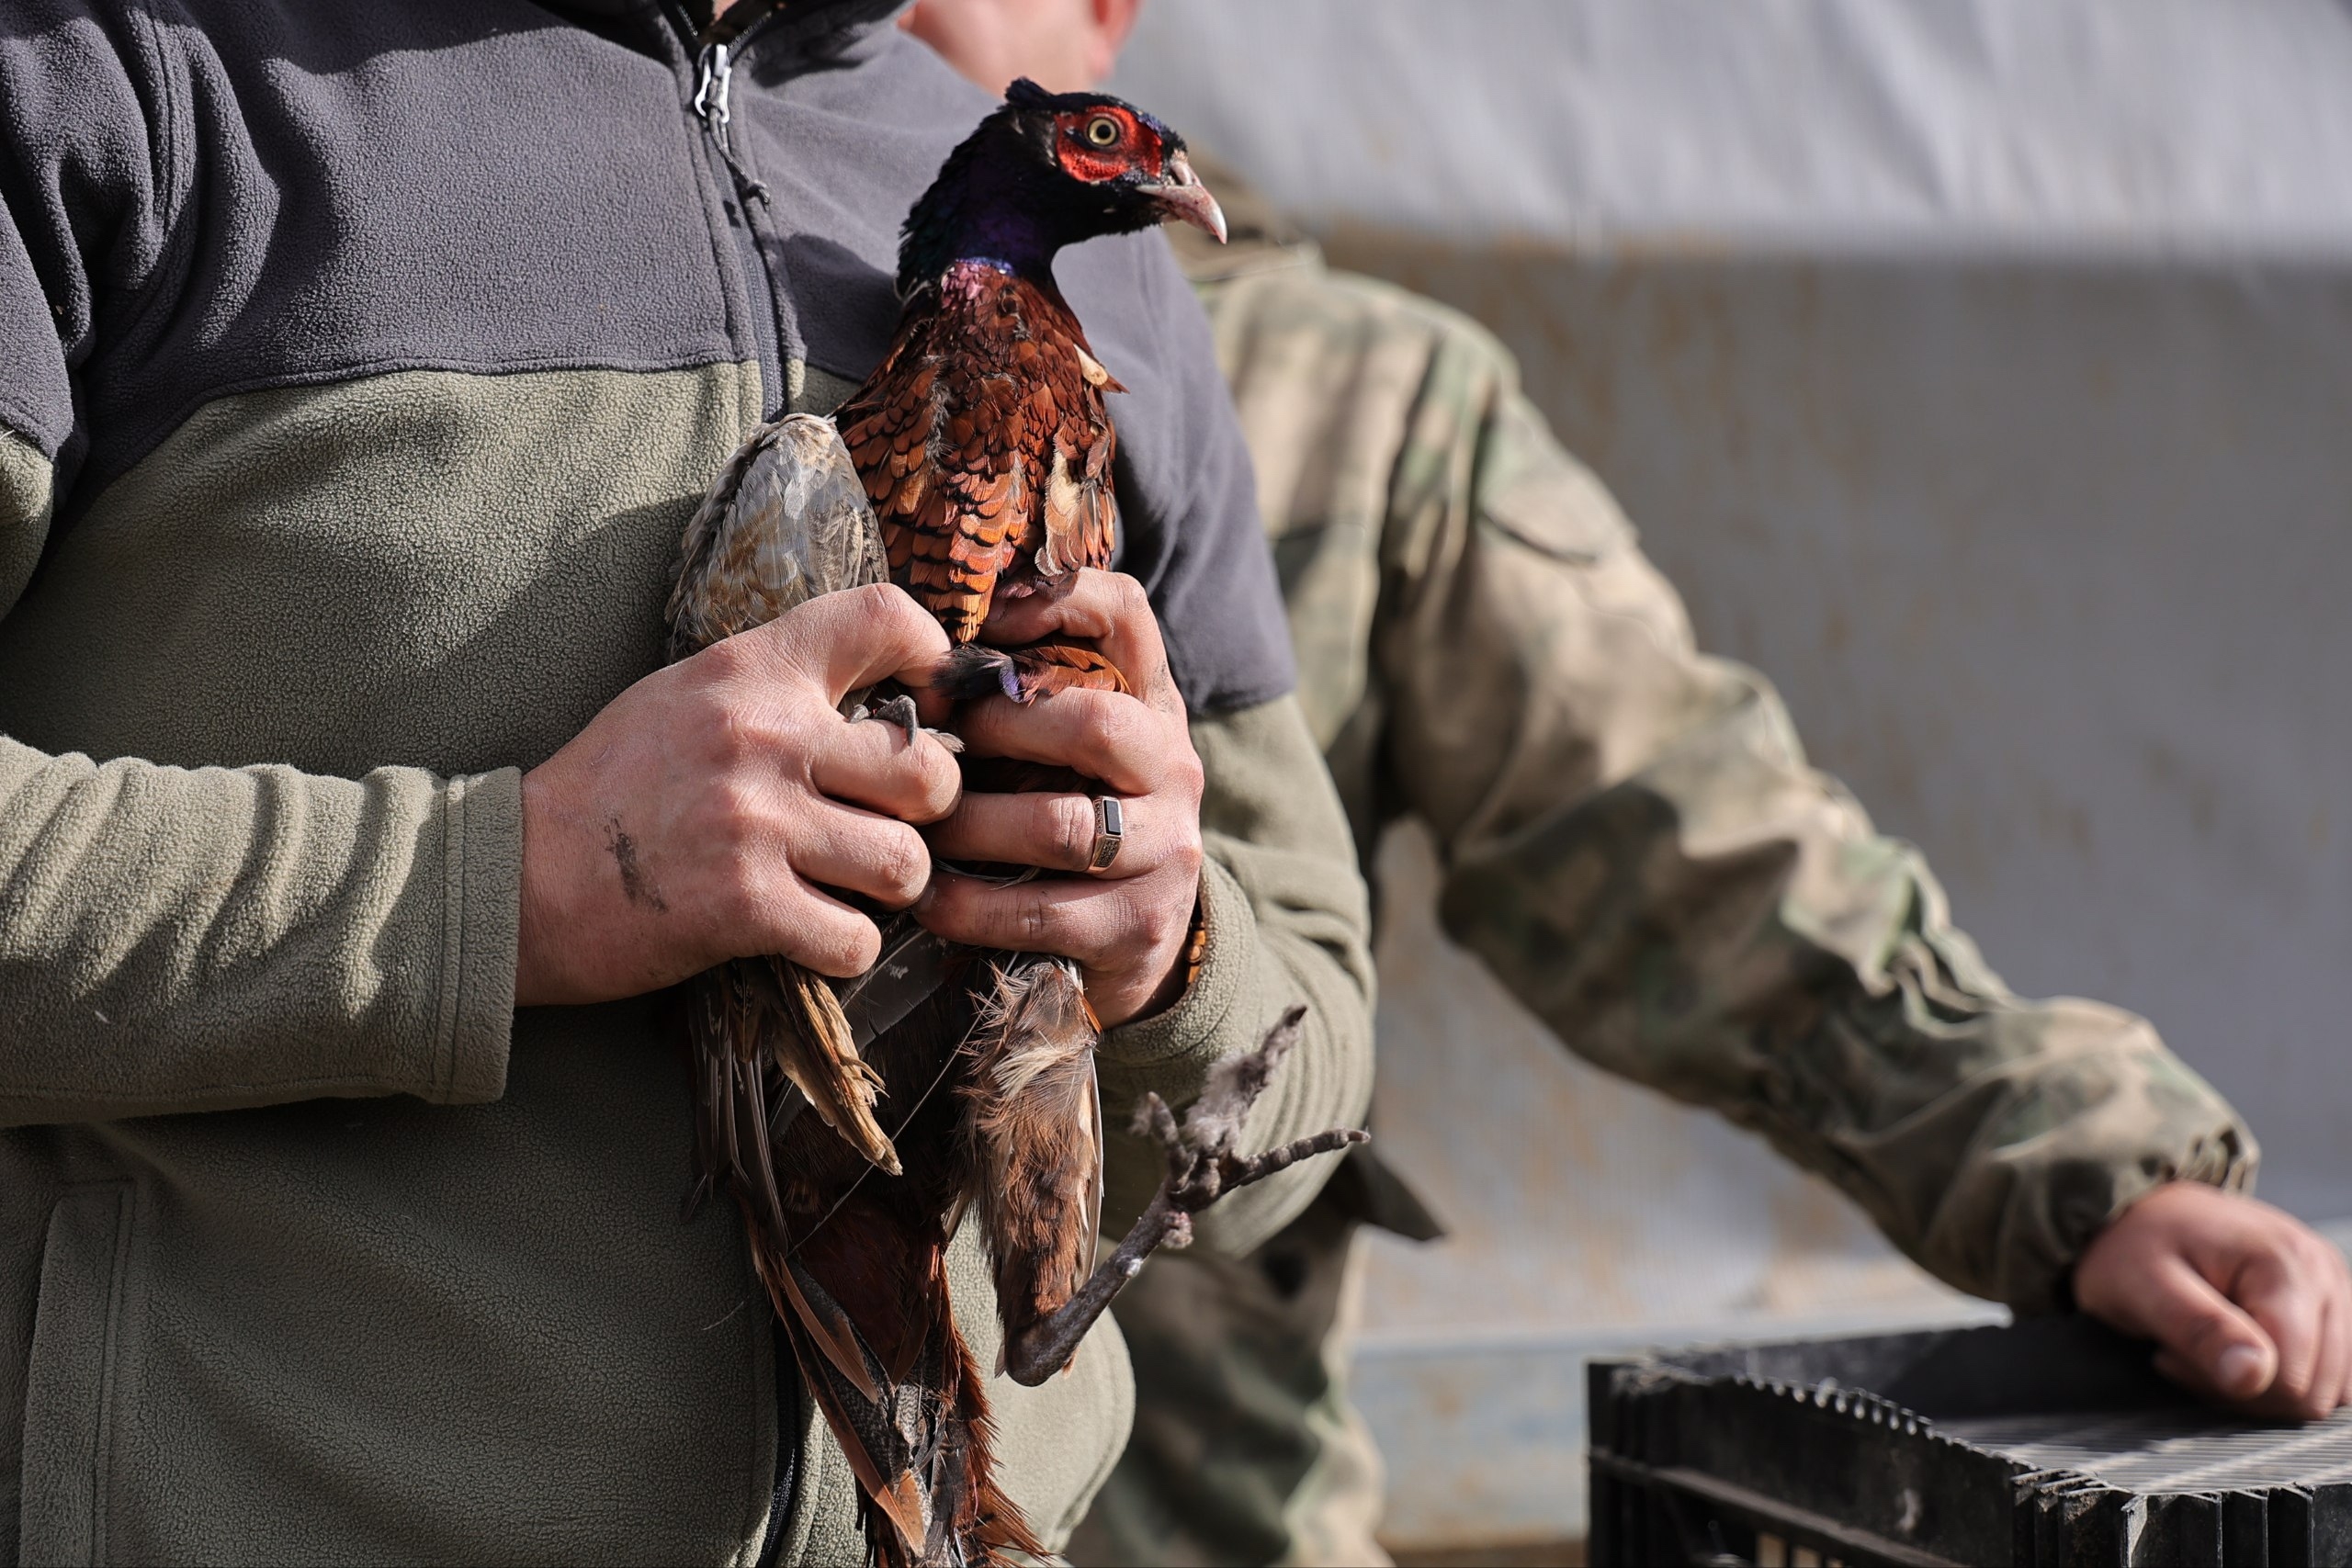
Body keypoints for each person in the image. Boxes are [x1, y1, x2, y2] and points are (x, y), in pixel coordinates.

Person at [898, 3, 2352, 1563]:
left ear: (1103, 12)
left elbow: (1687, 845)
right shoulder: (700, 344)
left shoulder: (1340, 404)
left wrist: (2083, 1175)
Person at [0, 2, 1374, 1561]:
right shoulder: (117, 82)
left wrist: (1171, 951)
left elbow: (1313, 1060)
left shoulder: (1103, 280)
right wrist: (509, 883)